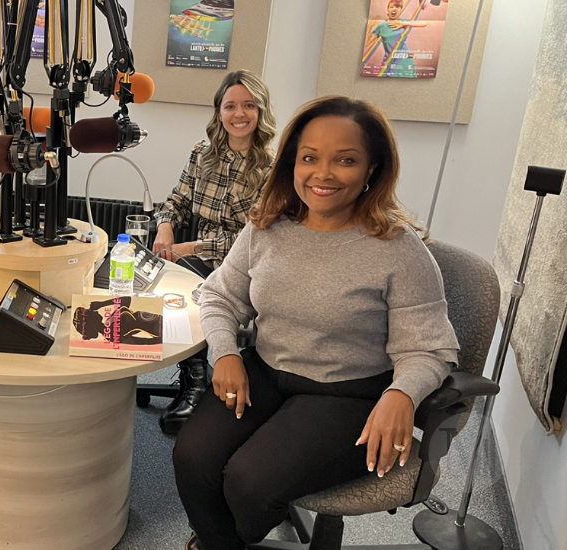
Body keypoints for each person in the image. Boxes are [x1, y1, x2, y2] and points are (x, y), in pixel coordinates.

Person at [172, 95, 459, 550]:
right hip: (265, 370)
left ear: (372, 168)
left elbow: (429, 347)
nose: (322, 174)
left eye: (345, 160)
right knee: (193, 458)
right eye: (309, 158)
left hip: (347, 392)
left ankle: (217, 543)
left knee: (248, 482)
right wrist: (225, 352)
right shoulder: (267, 226)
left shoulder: (399, 248)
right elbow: (219, 295)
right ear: (291, 163)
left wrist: (402, 394)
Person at [151, 69, 277, 433]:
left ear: (261, 111)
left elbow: (257, 238)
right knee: (155, 277)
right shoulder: (202, 155)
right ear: (219, 112)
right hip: (199, 259)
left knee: (191, 290)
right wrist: (165, 226)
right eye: (230, 105)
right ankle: (190, 374)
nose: (239, 114)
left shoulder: (274, 166)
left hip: (247, 267)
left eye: (248, 105)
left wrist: (187, 247)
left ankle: (196, 384)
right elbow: (176, 200)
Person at [366, 0, 429, 78]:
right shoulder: (382, 26)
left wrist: (402, 23)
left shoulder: (403, 22)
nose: (394, 9)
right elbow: (366, 43)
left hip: (404, 60)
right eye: (391, 7)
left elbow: (424, 23)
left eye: (397, 7)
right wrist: (369, 27)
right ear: (388, 10)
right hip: (389, 60)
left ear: (400, 10)